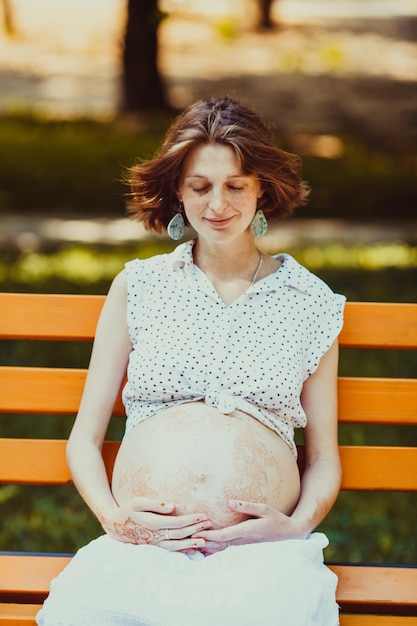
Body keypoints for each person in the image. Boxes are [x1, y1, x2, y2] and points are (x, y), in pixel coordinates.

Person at [37, 97, 345, 626]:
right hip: (144, 548)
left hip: (259, 554)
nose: (218, 204)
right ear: (178, 191)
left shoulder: (309, 301)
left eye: (236, 186)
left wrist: (294, 529)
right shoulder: (139, 287)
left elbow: (322, 459)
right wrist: (115, 521)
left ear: (262, 190)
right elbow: (84, 440)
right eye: (200, 186)